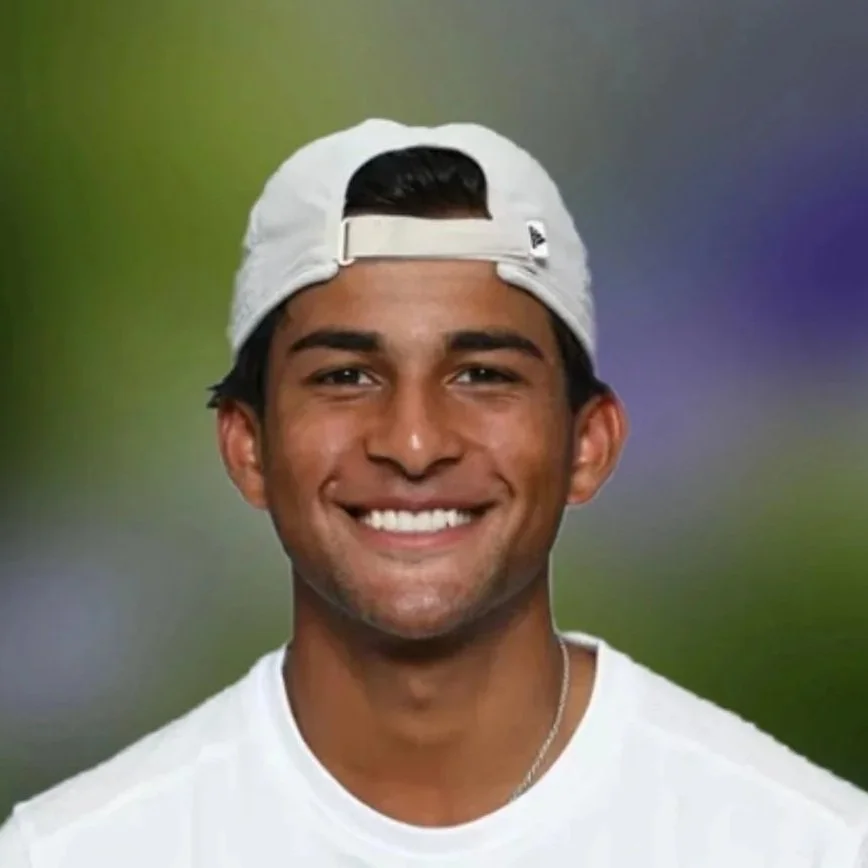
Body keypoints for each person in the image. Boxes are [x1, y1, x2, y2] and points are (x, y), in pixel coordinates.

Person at [1, 118, 865, 867]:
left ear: (590, 443)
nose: (414, 444)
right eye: (345, 376)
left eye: (483, 374)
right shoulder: (73, 851)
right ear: (246, 446)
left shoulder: (801, 843)